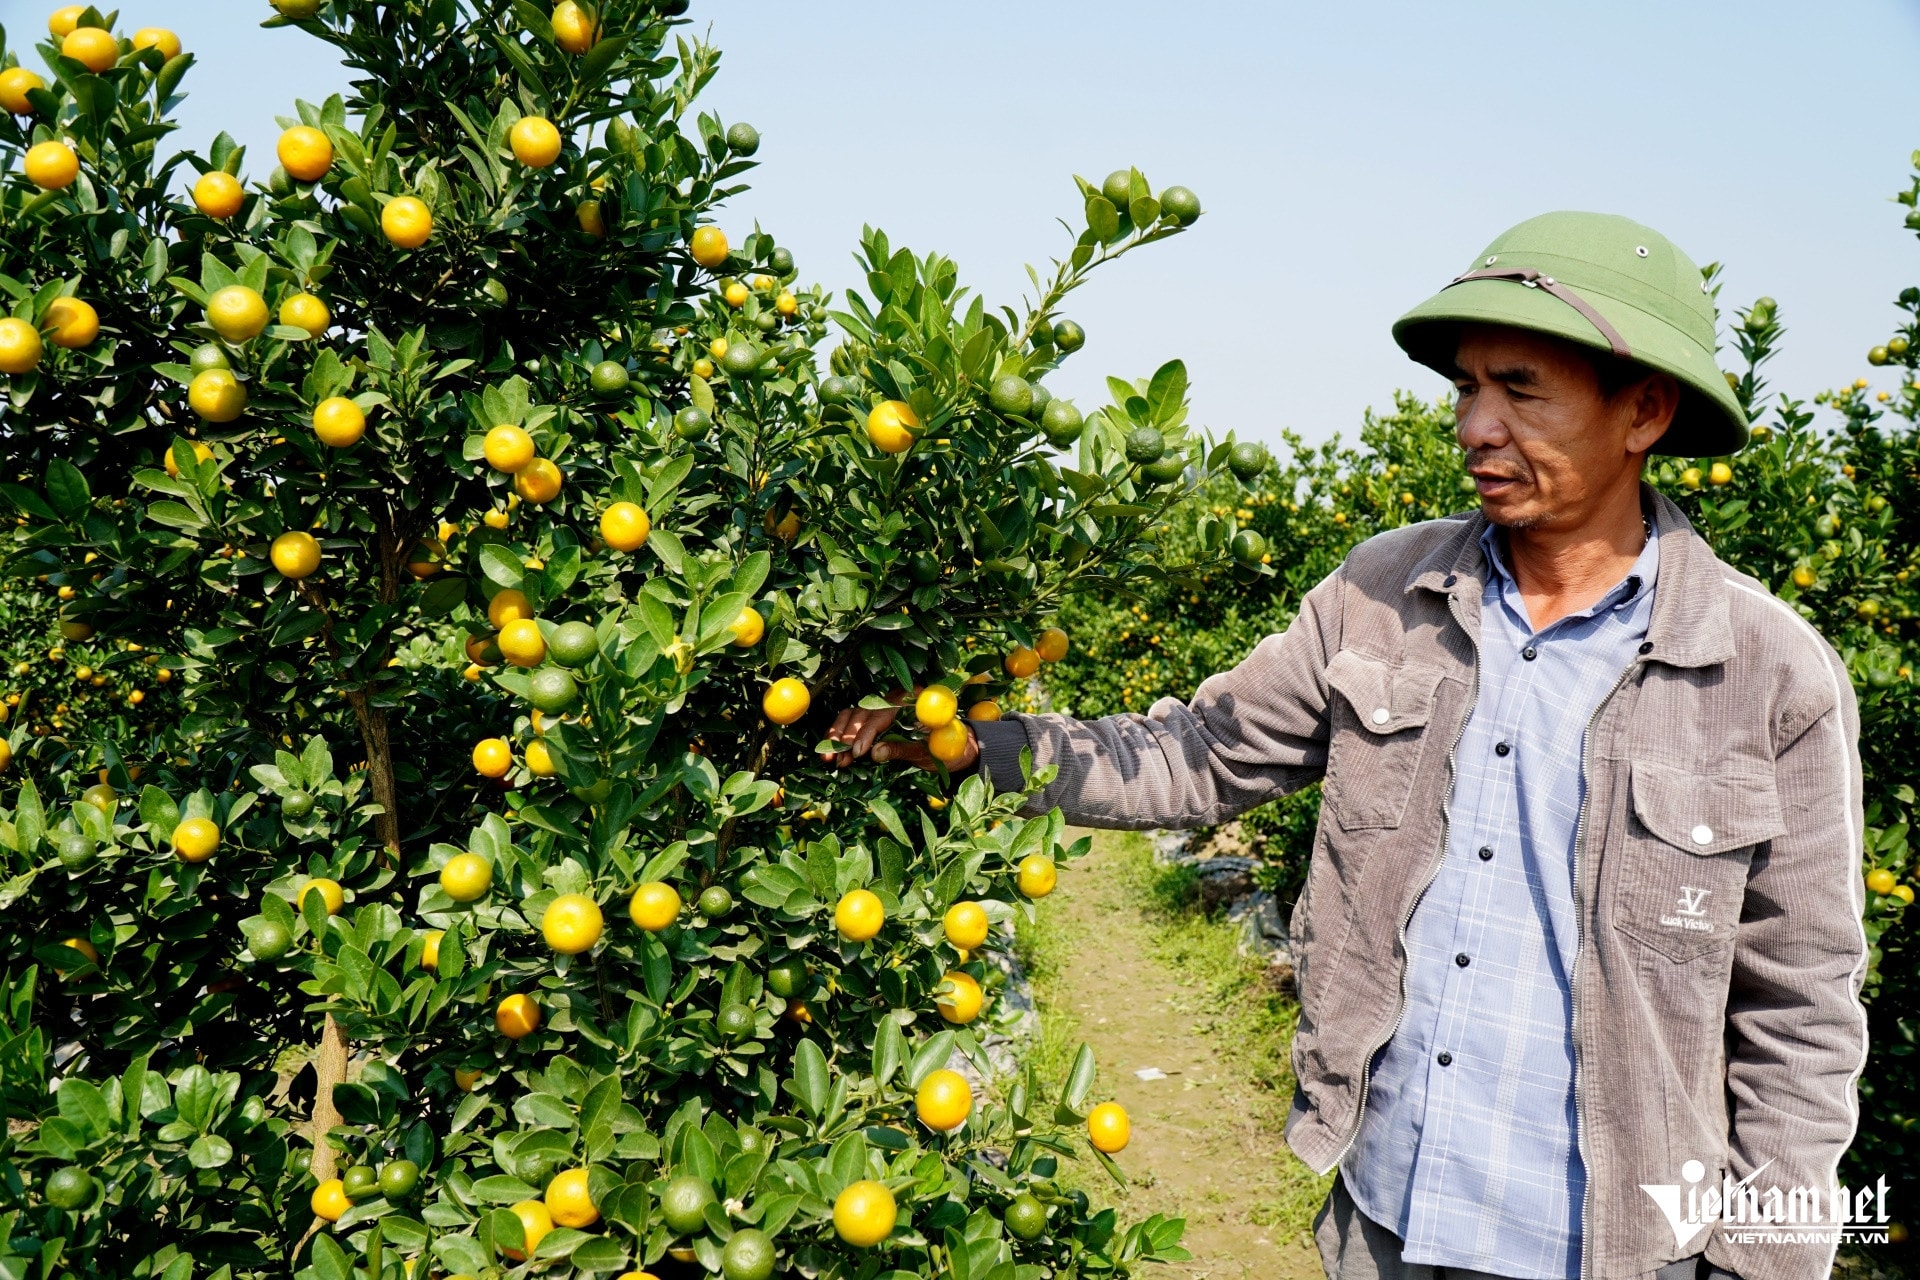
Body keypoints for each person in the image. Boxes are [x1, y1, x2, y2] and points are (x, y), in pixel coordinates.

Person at [823, 212, 1867, 1280]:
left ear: (1644, 409)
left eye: (1520, 388)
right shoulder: (1384, 593)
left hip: (1621, 1248)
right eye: (1466, 387)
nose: (1475, 426)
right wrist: (976, 750)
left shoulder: (1768, 673)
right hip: (1388, 1219)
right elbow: (1201, 749)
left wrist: (1766, 1258)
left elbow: (1801, 1004)